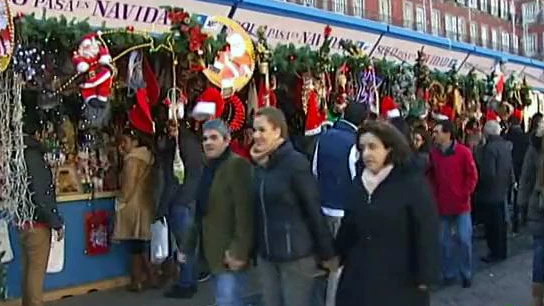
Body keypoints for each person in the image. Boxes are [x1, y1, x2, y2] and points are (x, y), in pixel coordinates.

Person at [335, 120, 439, 306]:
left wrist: (425, 276)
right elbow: (349, 227)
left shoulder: (411, 183)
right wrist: (334, 256)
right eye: (362, 148)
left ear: (389, 149)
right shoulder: (359, 183)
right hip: (359, 279)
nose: (367, 153)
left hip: (400, 281)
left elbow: (425, 229)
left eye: (373, 147)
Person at [251, 107, 337, 306]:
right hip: (267, 255)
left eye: (262, 130)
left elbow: (313, 208)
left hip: (295, 257)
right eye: (254, 130)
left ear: (278, 132)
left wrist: (327, 253)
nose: (256, 135)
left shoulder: (295, 164)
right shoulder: (261, 167)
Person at [193, 119, 254, 306]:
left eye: (214, 138)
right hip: (213, 249)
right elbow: (202, 209)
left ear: (227, 140)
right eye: (205, 139)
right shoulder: (209, 168)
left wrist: (239, 250)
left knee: (227, 300)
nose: (208, 143)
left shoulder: (238, 166)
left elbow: (246, 212)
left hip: (230, 251)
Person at [311, 102, 366, 306]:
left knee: (326, 259)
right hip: (343, 210)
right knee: (339, 264)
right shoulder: (355, 143)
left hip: (323, 205)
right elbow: (356, 180)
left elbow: (315, 170)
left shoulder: (324, 137)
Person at [429, 119, 478, 288]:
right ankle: (448, 273)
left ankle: (466, 273)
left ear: (447, 133)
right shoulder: (434, 154)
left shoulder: (464, 152)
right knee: (443, 242)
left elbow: (472, 176)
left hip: (461, 205)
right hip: (442, 204)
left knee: (464, 239)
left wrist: (465, 193)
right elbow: (431, 176)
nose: (434, 135)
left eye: (437, 131)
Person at [20, 119, 64, 306]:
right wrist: (55, 221)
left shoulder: (17, 154)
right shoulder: (34, 157)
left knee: (28, 271)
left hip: (23, 219)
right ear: (37, 133)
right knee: (36, 274)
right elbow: (41, 193)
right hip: (38, 222)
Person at [113, 128, 156, 292]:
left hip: (132, 205)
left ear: (135, 142)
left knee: (134, 244)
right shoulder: (148, 158)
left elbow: (128, 186)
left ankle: (138, 278)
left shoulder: (132, 160)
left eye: (125, 141)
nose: (121, 145)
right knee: (140, 243)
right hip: (145, 203)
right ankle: (150, 276)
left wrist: (121, 199)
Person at [474, 120, 513, 263]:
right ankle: (502, 250)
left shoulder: (489, 149)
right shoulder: (505, 146)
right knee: (500, 222)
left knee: (492, 224)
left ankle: (494, 251)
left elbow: (488, 172)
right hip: (502, 188)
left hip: (490, 191)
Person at [518, 120, 544, 306]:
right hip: (539, 208)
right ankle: (538, 297)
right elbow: (526, 177)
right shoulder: (535, 148)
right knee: (540, 254)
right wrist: (522, 203)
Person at [504, 116, 529, 233]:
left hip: (508, 169)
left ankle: (510, 222)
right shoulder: (525, 137)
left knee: (508, 196)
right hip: (521, 168)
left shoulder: (506, 136)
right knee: (519, 195)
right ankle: (520, 219)